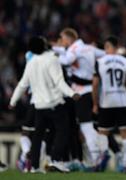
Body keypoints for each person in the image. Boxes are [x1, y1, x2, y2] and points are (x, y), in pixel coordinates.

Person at [9, 36, 80, 173]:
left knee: (37, 136)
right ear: (44, 45)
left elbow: (22, 84)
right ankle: (55, 160)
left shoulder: (31, 62)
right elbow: (59, 81)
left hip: (39, 106)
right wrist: (72, 93)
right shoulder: (52, 59)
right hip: (54, 103)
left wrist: (13, 101)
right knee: (63, 131)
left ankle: (34, 167)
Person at [52, 28, 108, 168]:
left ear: (69, 39)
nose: (62, 41)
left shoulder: (74, 49)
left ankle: (97, 155)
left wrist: (52, 56)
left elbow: (66, 60)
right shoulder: (88, 48)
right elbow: (105, 54)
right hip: (91, 90)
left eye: (63, 39)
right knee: (89, 125)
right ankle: (99, 153)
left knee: (86, 126)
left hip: (81, 93)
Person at [92, 36, 126, 174]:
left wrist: (95, 103)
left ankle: (102, 157)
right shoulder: (125, 61)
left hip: (106, 101)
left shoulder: (100, 62)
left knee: (103, 132)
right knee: (125, 134)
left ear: (107, 47)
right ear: (116, 46)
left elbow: (95, 85)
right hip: (122, 101)